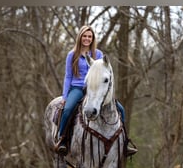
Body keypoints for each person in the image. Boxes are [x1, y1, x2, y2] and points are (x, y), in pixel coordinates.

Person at [55, 25, 137, 157]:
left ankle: (125, 143)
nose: (87, 39)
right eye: (85, 36)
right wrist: (65, 96)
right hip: (77, 88)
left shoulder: (98, 54)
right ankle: (62, 140)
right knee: (68, 109)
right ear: (80, 37)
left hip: (95, 89)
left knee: (121, 109)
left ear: (92, 39)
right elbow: (68, 76)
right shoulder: (72, 55)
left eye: (89, 36)